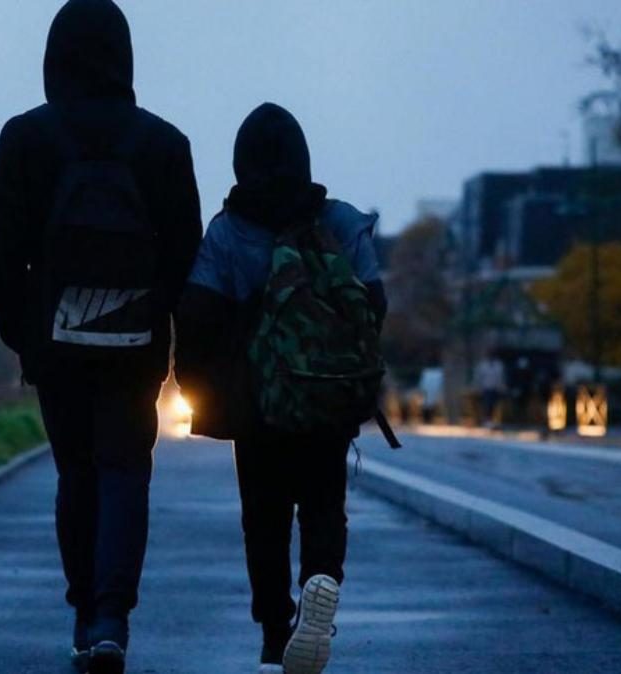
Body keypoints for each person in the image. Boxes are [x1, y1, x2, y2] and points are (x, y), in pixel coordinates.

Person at [0, 1, 202, 672]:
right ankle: (112, 618)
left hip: (54, 341)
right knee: (124, 472)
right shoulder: (162, 144)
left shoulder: (25, 138)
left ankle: (83, 615)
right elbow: (185, 257)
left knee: (74, 473)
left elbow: (1, 256)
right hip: (133, 345)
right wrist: (157, 326)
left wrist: (25, 336)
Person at [176, 103, 387, 674]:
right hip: (327, 395)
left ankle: (274, 629)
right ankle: (321, 584)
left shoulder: (228, 232)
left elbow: (196, 315)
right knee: (324, 505)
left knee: (263, 517)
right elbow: (374, 302)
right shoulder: (340, 222)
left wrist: (195, 386)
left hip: (258, 404)